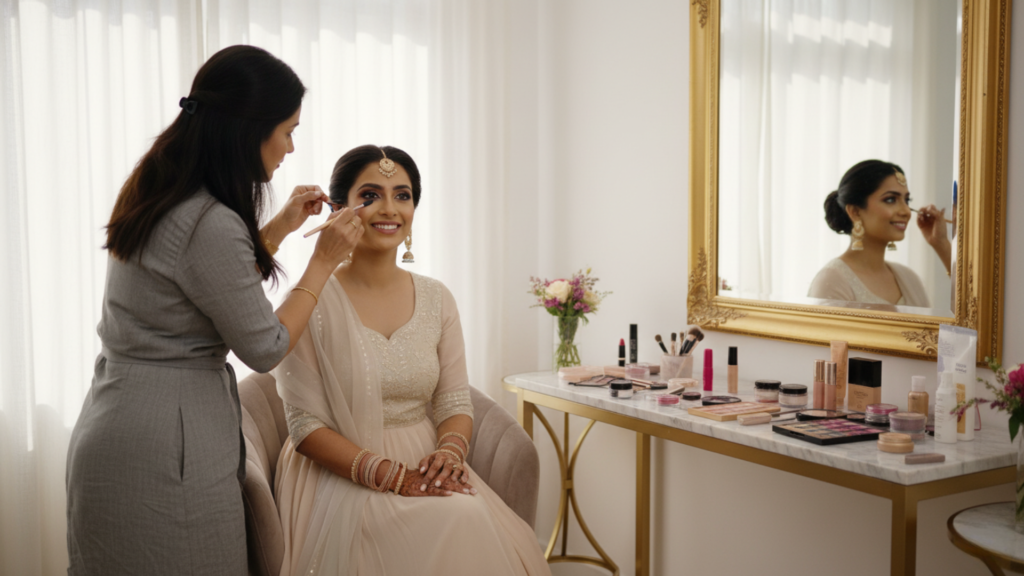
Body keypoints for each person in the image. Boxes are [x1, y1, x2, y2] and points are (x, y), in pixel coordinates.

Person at [66, 46, 363, 575]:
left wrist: (277, 230)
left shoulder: (162, 184)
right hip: (164, 444)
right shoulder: (211, 219)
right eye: (288, 130)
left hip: (120, 417)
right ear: (250, 130)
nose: (292, 147)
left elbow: (200, 285)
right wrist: (322, 261)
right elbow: (265, 345)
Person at [273, 145, 551, 575]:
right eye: (369, 195)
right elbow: (305, 428)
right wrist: (391, 476)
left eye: (402, 195)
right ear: (339, 208)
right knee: (457, 518)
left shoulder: (437, 298)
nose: (389, 209)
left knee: (465, 516)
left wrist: (451, 454)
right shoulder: (311, 300)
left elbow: (454, 401)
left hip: (424, 461)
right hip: (338, 469)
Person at [808, 160, 951, 307]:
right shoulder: (832, 282)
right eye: (890, 199)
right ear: (855, 212)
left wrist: (941, 244)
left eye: (907, 200)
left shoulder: (909, 279)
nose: (906, 211)